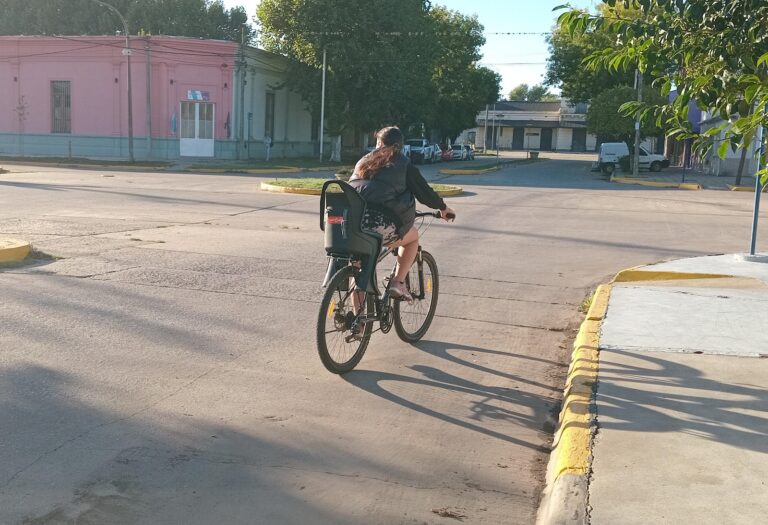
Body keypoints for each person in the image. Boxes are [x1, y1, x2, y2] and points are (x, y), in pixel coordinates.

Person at [349, 126, 456, 301]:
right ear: (400, 145)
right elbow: (424, 192)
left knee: (360, 266)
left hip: (353, 224)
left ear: (379, 143)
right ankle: (397, 282)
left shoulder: (363, 161)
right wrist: (443, 208)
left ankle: (358, 324)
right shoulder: (402, 163)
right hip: (379, 226)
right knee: (412, 237)